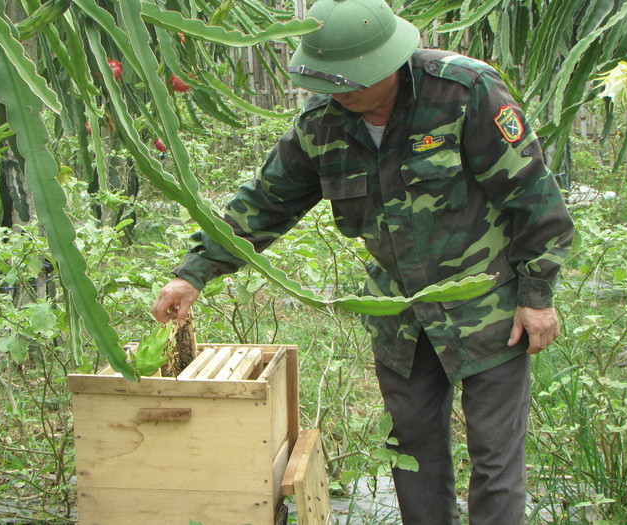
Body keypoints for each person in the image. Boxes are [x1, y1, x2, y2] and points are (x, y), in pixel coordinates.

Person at [151, 0, 574, 523]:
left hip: (487, 308)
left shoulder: (464, 93)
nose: (342, 92)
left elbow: (533, 196)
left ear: (390, 61)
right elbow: (263, 204)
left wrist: (537, 297)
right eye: (331, 82)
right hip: (400, 317)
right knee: (412, 455)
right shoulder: (322, 123)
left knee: (495, 459)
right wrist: (193, 272)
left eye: (352, 81)